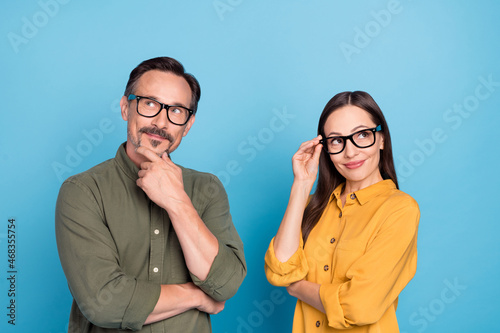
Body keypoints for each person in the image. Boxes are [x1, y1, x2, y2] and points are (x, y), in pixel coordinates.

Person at [56, 57, 246, 332]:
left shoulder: (208, 189)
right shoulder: (83, 191)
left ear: (188, 124)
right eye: (149, 104)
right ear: (125, 108)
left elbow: (225, 283)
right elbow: (103, 303)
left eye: (177, 111)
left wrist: (177, 201)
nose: (160, 122)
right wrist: (196, 297)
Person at [264, 91, 419, 332]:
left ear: (381, 139)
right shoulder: (313, 205)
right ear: (324, 148)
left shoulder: (399, 209)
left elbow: (359, 306)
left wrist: (299, 288)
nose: (350, 152)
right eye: (337, 140)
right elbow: (280, 271)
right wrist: (302, 185)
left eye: (362, 135)